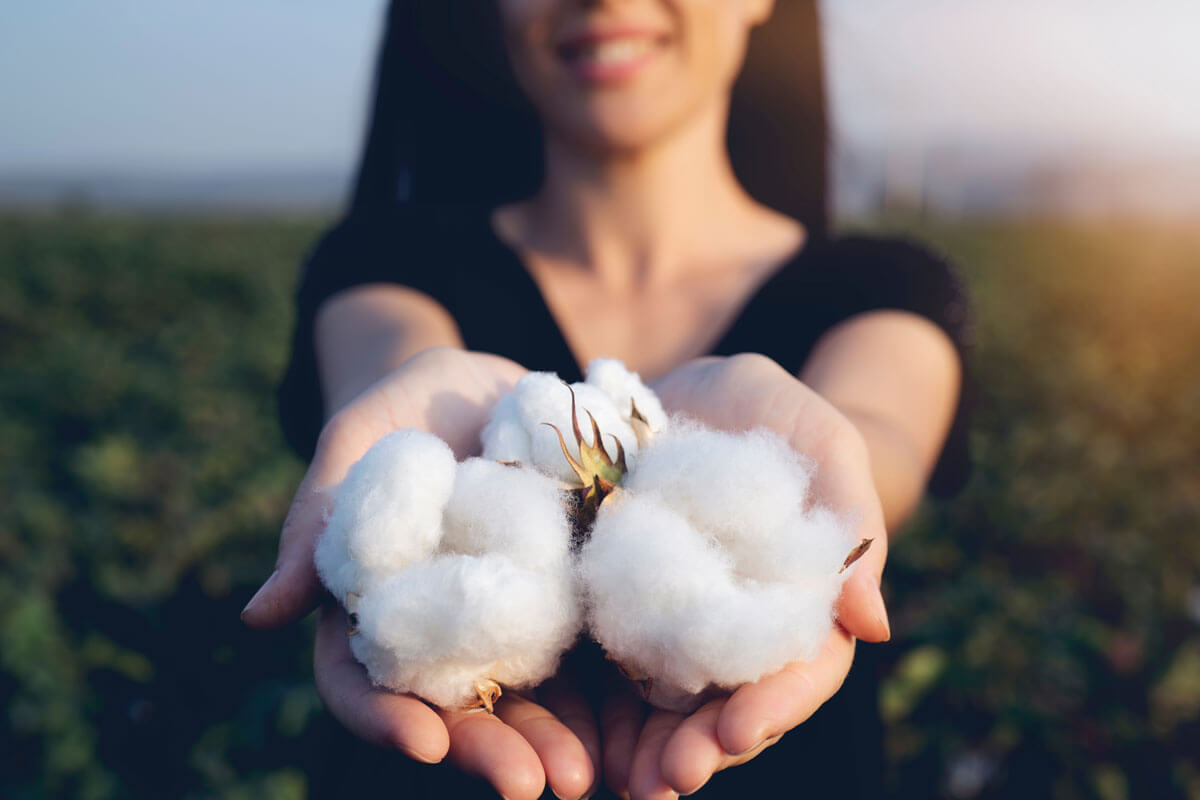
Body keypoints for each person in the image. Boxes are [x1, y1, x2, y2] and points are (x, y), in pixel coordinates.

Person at [241, 1, 971, 797]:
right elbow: (393, 367)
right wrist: (419, 415)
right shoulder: (384, 261)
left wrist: (836, 468)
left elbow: (875, 438)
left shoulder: (887, 289)